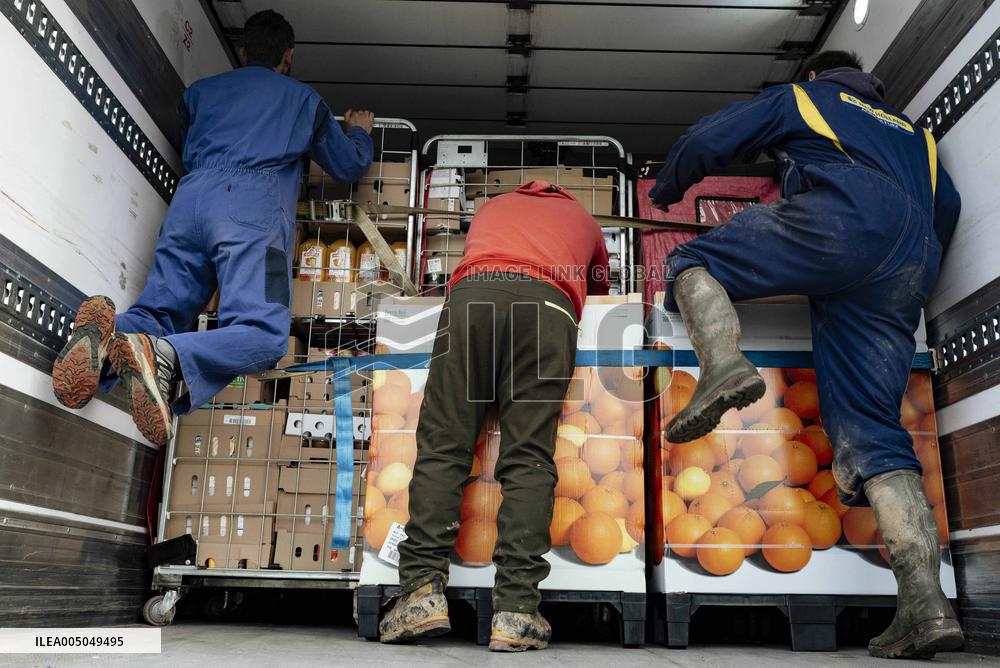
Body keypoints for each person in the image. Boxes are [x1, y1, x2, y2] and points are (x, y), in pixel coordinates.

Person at [648, 50, 963, 658]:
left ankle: (721, 367)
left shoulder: (809, 98)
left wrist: (669, 187)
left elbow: (713, 136)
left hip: (845, 222)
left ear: (814, 74)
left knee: (695, 260)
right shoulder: (916, 136)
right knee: (875, 430)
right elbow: (945, 208)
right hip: (908, 261)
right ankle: (925, 605)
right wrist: (905, 269)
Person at [51, 10, 375, 445]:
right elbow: (348, 165)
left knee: (158, 313)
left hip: (191, 199)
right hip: (251, 213)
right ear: (289, 56)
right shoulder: (303, 101)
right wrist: (359, 133)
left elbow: (188, 144)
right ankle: (165, 355)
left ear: (241, 52)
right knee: (263, 336)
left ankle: (106, 338)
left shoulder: (199, 93)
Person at [378, 180, 610, 651]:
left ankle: (420, 594)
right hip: (548, 310)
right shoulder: (585, 222)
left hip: (472, 302)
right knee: (529, 456)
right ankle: (517, 612)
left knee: (444, 443)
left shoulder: (492, 208)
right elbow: (602, 292)